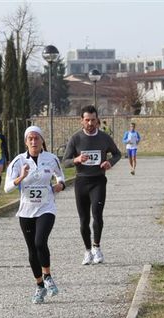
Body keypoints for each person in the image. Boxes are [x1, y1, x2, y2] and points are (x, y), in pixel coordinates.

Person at [4, 125, 66, 304]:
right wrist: (20, 177)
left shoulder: (51, 158)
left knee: (40, 241)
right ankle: (39, 286)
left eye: (36, 138)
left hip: (46, 208)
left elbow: (60, 177)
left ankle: (47, 276)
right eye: (30, 138)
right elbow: (8, 188)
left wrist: (59, 185)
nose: (33, 141)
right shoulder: (18, 162)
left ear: (41, 141)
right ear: (26, 142)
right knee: (32, 249)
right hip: (26, 211)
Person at [63, 105, 121, 265]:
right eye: (87, 120)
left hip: (98, 181)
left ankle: (97, 247)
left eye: (93, 120)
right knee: (83, 219)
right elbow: (65, 162)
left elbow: (117, 154)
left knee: (97, 214)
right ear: (81, 121)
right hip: (81, 181)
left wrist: (110, 162)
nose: (90, 123)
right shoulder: (76, 138)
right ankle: (87, 251)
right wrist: (76, 160)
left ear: (98, 121)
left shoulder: (104, 138)